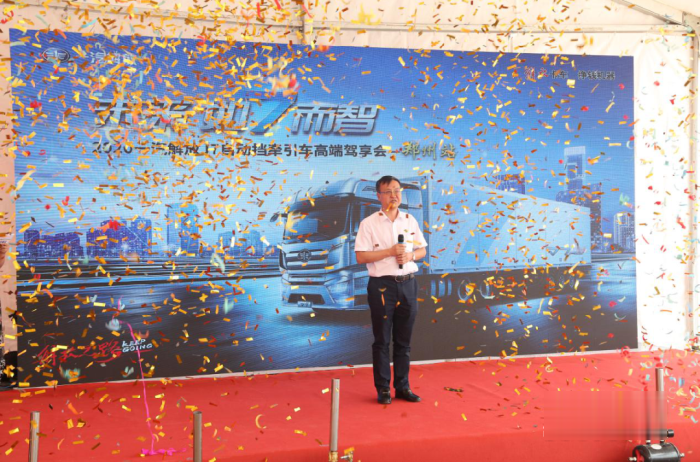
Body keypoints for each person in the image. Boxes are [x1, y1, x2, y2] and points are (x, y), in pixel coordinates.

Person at [354, 175, 427, 404]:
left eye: (397, 190)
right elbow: (360, 257)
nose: (394, 195)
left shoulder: (409, 220)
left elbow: (422, 250)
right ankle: (383, 388)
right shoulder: (368, 223)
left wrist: (410, 255)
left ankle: (403, 387)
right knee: (382, 340)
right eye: (388, 192)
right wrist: (390, 252)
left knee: (404, 341)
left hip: (408, 284)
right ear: (379, 196)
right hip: (382, 287)